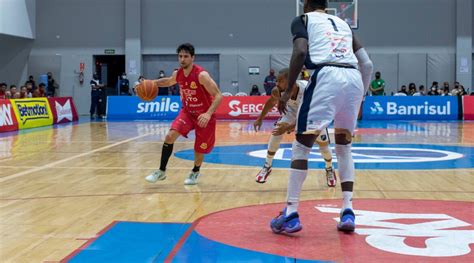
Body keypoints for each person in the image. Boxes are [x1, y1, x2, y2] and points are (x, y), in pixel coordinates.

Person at [271, 0, 373, 234]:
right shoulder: (344, 24)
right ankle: (348, 210)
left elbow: (300, 51)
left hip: (326, 76)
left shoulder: (303, 20)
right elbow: (367, 64)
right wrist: (361, 99)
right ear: (326, 6)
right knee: (344, 148)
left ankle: (291, 213)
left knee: (302, 146)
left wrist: (287, 92)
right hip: (354, 79)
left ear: (305, 4)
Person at [145, 43, 223, 185]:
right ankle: (161, 171)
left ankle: (195, 171)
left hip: (204, 115)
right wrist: (150, 83)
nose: (182, 59)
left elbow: (218, 96)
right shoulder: (178, 74)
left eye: (186, 56)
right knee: (169, 136)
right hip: (187, 112)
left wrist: (208, 114)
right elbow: (168, 81)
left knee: (199, 148)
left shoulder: (201, 75)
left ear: (192, 58)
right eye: (180, 56)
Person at [253, 68, 336, 186]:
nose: (277, 83)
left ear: (290, 81)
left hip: (313, 116)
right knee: (277, 131)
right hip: (291, 113)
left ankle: (329, 168)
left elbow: (307, 118)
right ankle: (267, 166)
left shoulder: (307, 89)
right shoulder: (277, 90)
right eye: (277, 80)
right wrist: (260, 118)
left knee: (323, 145)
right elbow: (271, 102)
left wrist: (289, 128)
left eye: (280, 81)